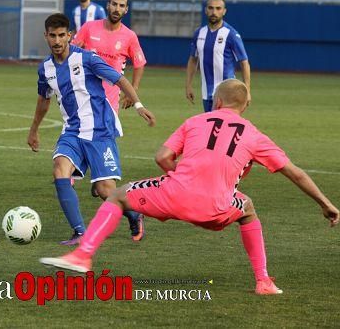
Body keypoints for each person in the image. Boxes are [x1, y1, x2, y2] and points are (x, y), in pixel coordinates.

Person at [40, 79, 339, 295]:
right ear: (245, 106)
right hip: (218, 207)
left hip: (171, 196)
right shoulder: (254, 135)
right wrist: (325, 204)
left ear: (217, 102)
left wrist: (181, 177)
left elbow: (162, 157)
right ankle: (263, 281)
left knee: (118, 195)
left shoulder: (195, 120)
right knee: (247, 208)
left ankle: (83, 254)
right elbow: (295, 173)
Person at [27, 13, 156, 246]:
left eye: (61, 36)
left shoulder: (87, 59)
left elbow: (119, 79)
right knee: (59, 170)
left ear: (70, 36)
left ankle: (134, 214)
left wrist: (138, 104)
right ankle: (79, 232)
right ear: (46, 36)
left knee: (106, 191)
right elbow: (43, 99)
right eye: (52, 36)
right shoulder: (45, 69)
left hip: (99, 130)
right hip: (72, 132)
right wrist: (34, 129)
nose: (57, 41)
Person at [72, 0, 147, 241]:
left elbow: (139, 63)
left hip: (106, 107)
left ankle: (130, 211)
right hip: (81, 103)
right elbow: (71, 52)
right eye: (114, 4)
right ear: (108, 5)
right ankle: (80, 217)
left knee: (104, 185)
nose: (117, 8)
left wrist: (132, 93)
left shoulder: (129, 36)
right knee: (66, 166)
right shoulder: (89, 28)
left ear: (126, 10)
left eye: (121, 5)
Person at [186, 0, 251, 112]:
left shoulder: (231, 34)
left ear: (224, 11)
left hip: (227, 93)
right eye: (210, 8)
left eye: (218, 8)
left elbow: (244, 63)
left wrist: (247, 91)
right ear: (206, 10)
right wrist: (188, 85)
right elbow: (193, 60)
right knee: (210, 128)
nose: (214, 12)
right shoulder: (199, 33)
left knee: (224, 128)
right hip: (206, 93)